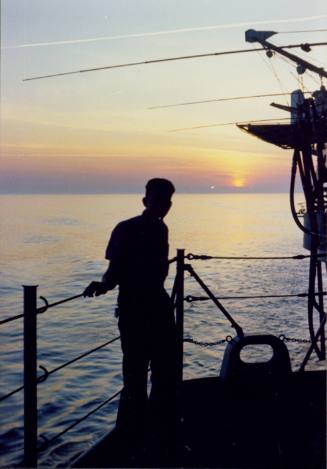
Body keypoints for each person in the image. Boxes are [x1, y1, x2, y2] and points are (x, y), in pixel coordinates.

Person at [83, 178, 177, 453]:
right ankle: (139, 434)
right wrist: (103, 285)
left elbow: (116, 272)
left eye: (167, 200)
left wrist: (106, 284)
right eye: (158, 199)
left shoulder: (159, 228)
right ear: (146, 200)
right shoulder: (130, 229)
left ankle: (139, 433)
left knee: (150, 372)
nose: (163, 205)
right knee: (143, 373)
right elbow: (115, 272)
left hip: (151, 307)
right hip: (141, 307)